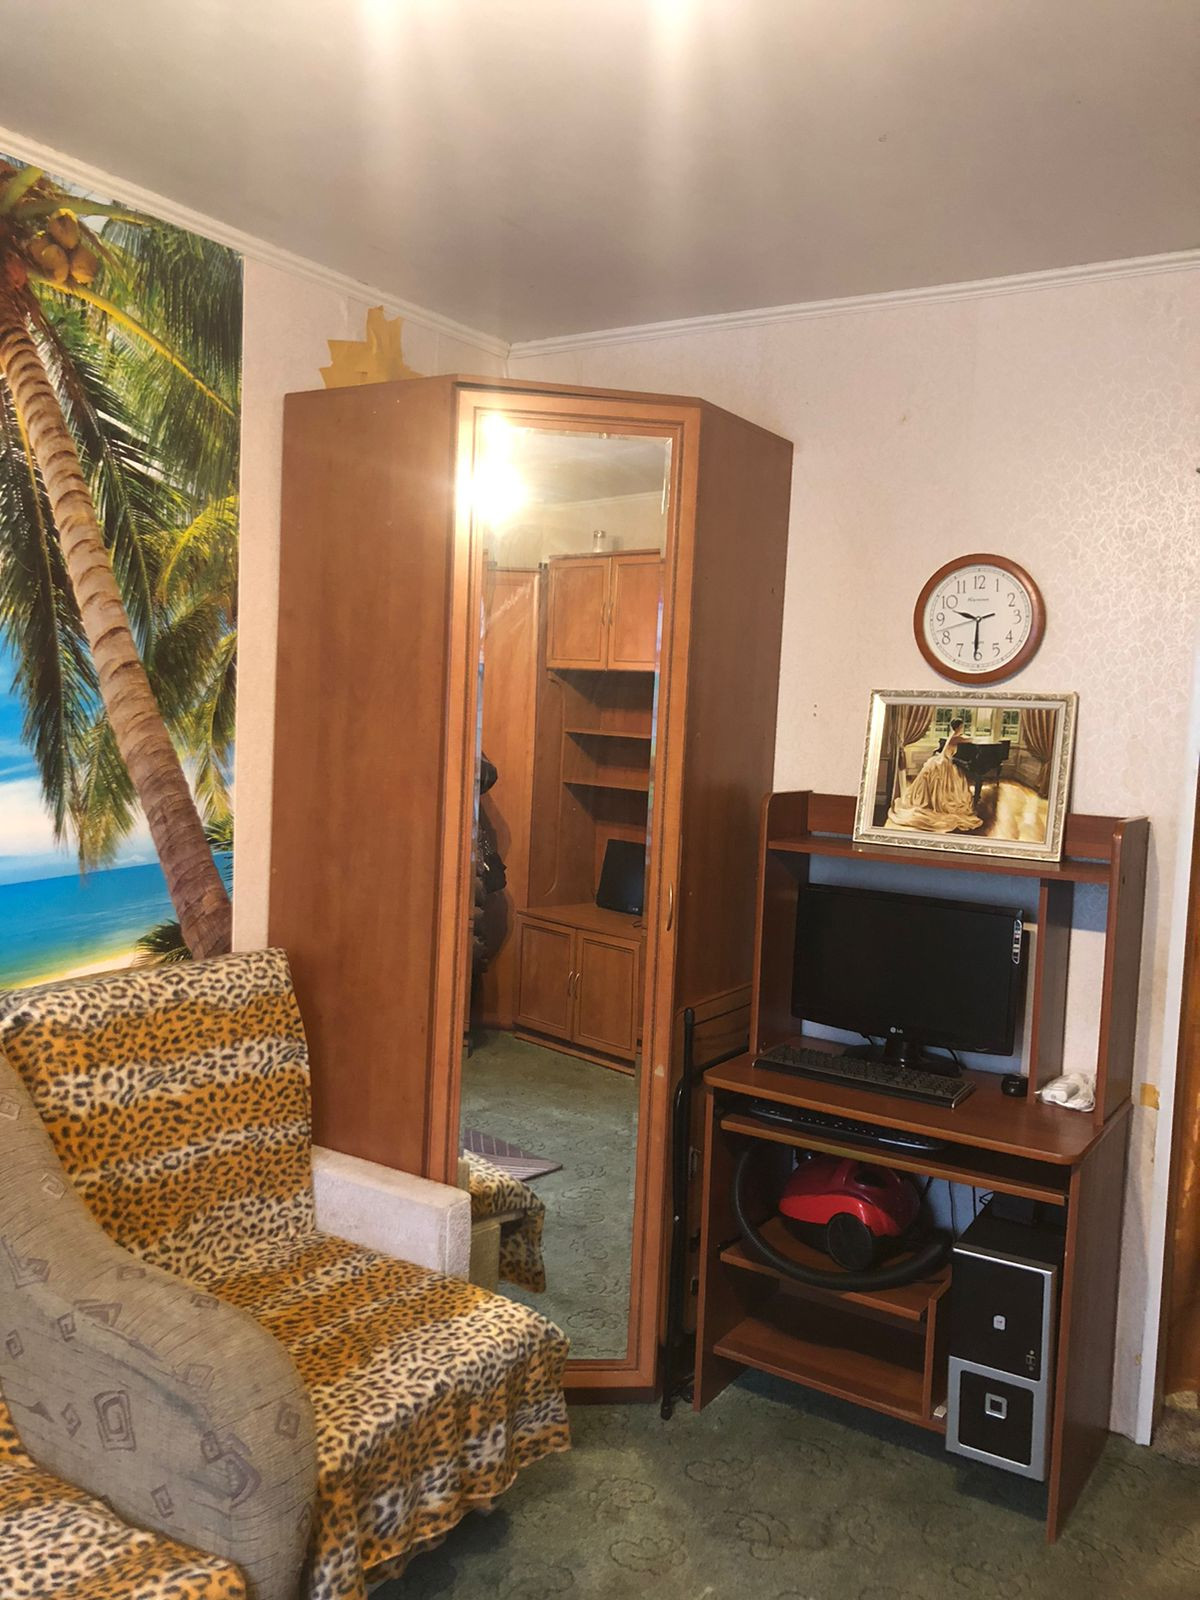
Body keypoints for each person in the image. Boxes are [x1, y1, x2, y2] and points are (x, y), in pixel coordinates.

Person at [887, 718, 985, 833]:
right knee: (950, 783)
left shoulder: (953, 736)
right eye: (962, 727)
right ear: (959, 727)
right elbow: (972, 739)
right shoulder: (956, 738)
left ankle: (934, 801)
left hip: (942, 760)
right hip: (945, 762)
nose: (963, 728)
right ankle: (938, 803)